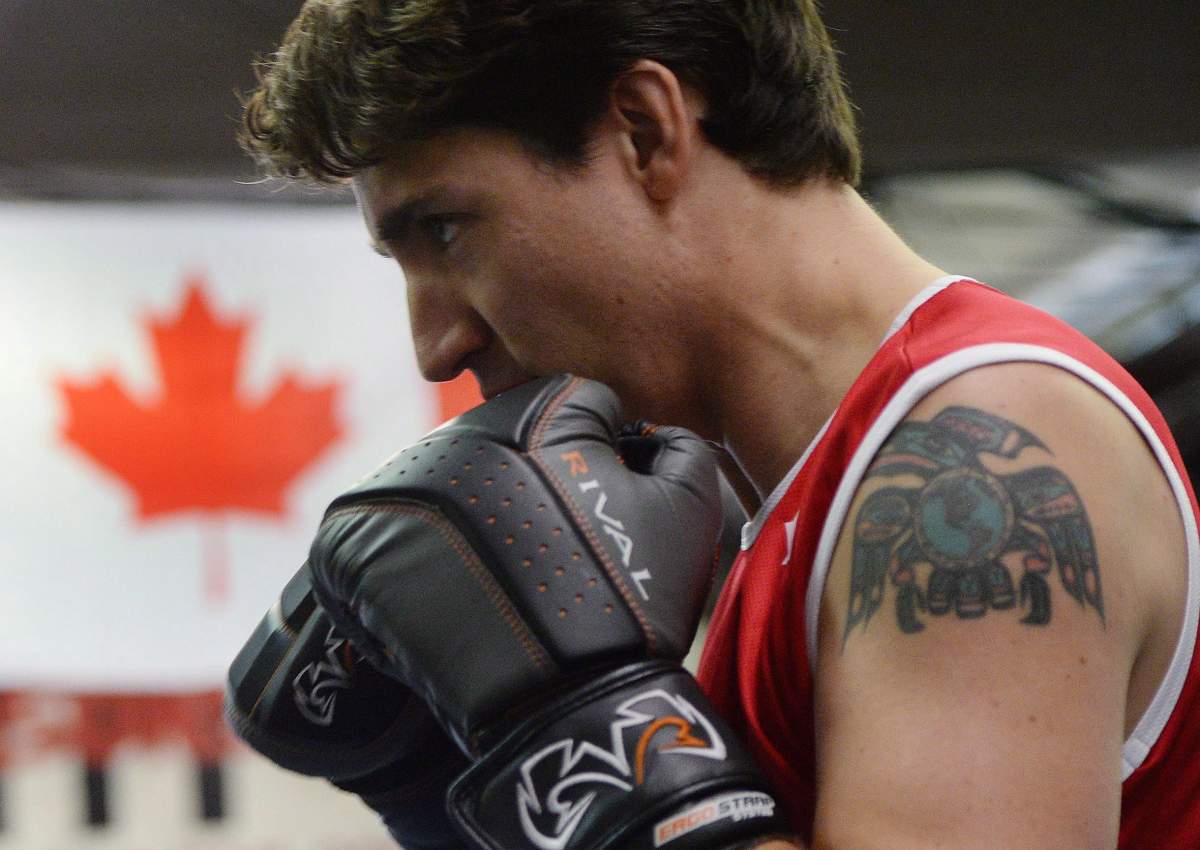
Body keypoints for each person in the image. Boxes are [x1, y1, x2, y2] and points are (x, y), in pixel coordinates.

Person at [237, 1, 1200, 847]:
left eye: (445, 230)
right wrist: (443, 799)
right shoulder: (778, 517)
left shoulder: (972, 454)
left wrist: (580, 729)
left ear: (646, 131)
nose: (436, 345)